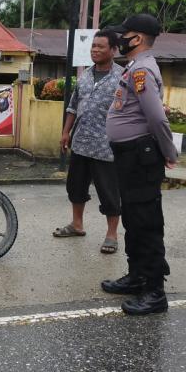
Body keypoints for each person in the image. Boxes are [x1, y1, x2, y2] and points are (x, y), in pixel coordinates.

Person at [100, 14, 179, 316]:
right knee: (132, 218)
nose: (120, 39)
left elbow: (157, 118)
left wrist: (168, 151)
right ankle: (137, 276)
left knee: (146, 221)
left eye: (125, 34)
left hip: (140, 155)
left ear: (139, 38)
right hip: (130, 154)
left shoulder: (143, 69)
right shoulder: (134, 67)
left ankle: (155, 291)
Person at [53, 30, 123, 254]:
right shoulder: (84, 76)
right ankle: (77, 224)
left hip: (106, 147)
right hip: (81, 143)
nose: (95, 49)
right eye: (93, 46)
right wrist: (66, 132)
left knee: (109, 192)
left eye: (101, 46)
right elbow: (73, 106)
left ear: (113, 50)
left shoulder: (122, 77)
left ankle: (111, 235)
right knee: (75, 186)